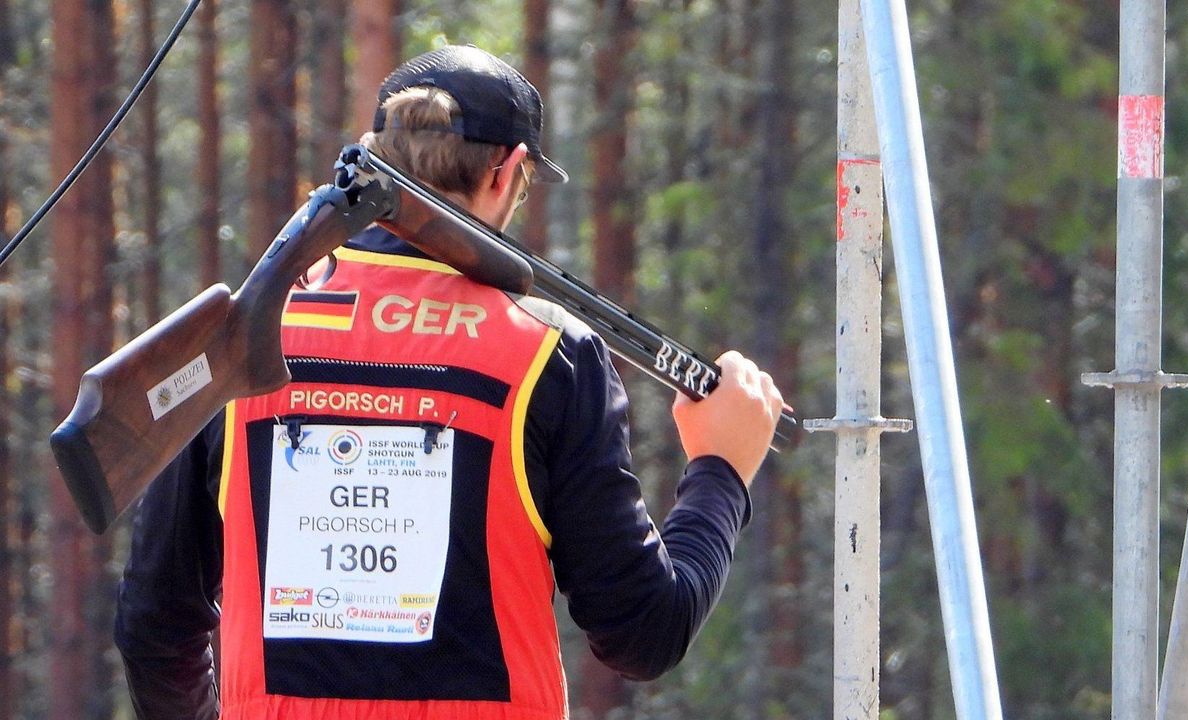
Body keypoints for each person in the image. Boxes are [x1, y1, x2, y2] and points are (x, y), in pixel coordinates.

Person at [115, 44, 784, 720]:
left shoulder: (240, 345)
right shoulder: (548, 355)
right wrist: (720, 469)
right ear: (509, 172)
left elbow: (152, 625)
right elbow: (644, 632)